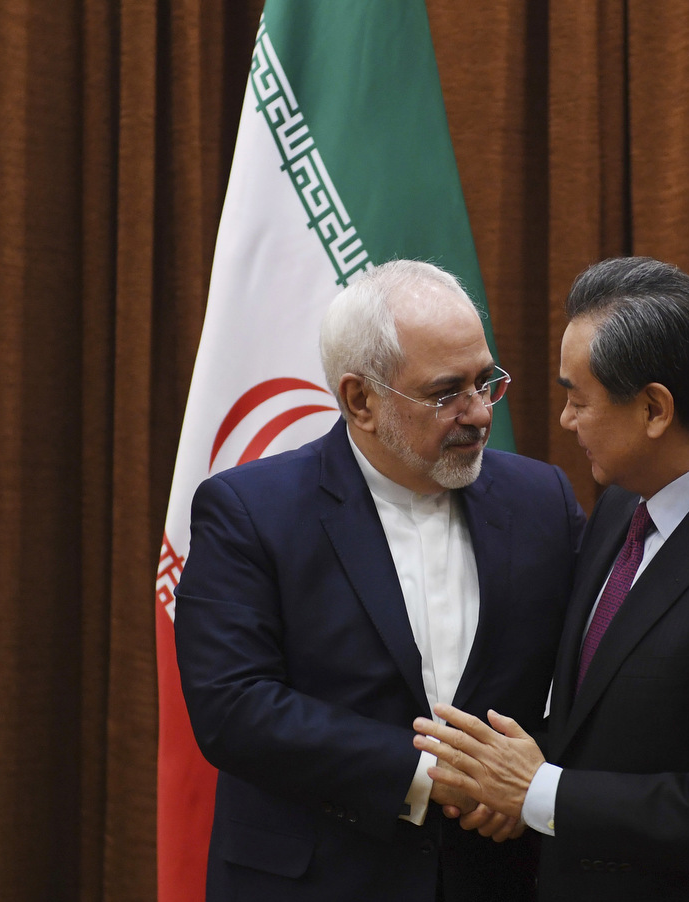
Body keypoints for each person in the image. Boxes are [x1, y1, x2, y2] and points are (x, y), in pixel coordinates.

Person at [412, 256, 689, 901]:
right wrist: (507, 781)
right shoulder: (627, 498)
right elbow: (597, 712)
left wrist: (538, 792)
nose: (565, 421)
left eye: (578, 399)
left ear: (653, 409)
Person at [174, 260, 585, 901]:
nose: (479, 414)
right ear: (360, 400)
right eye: (447, 392)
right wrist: (426, 775)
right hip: (318, 878)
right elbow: (233, 707)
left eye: (486, 381)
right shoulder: (251, 511)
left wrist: (526, 778)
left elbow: (596, 670)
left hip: (498, 876)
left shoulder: (543, 499)